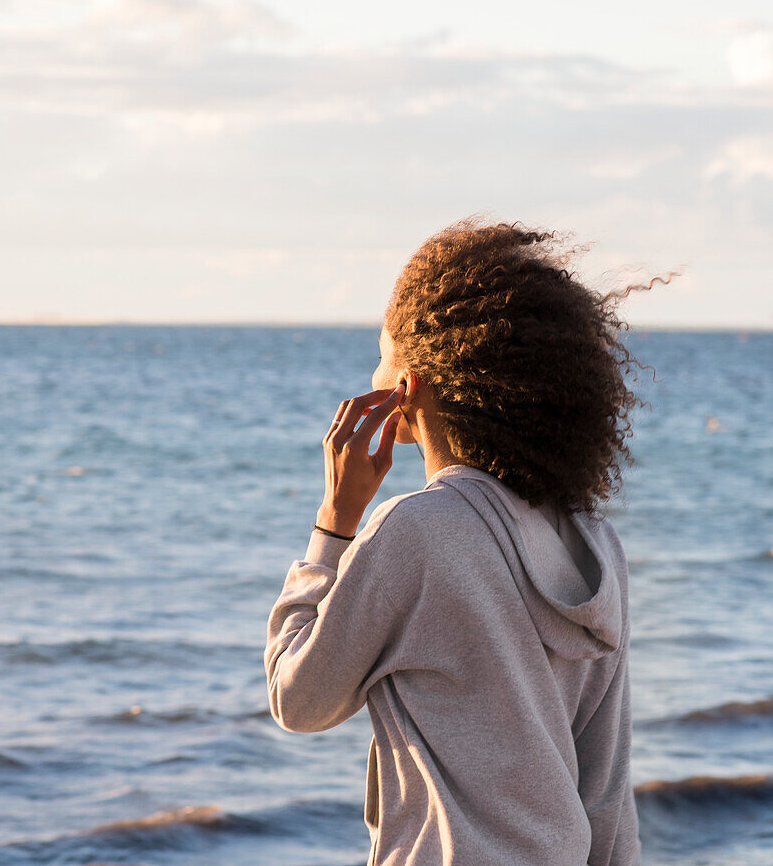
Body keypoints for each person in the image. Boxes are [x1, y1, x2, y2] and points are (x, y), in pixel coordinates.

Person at [264, 219, 644, 865]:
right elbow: (606, 797)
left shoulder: (415, 530)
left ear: (410, 382)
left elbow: (299, 698)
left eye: (382, 351)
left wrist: (334, 521)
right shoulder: (595, 543)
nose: (375, 369)